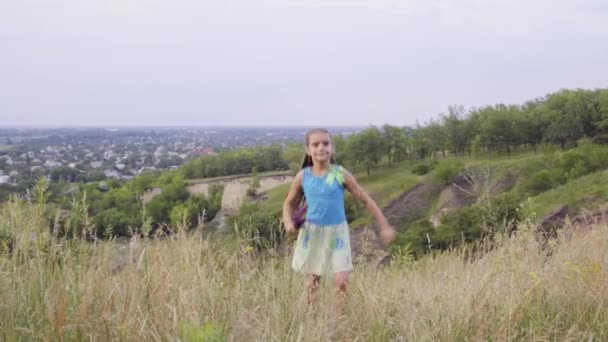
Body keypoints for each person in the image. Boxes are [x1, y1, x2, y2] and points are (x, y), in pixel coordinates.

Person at [282, 128, 396, 306]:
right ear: (308, 149)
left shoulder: (340, 174)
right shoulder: (303, 176)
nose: (321, 148)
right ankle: (308, 320)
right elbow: (288, 203)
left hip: (337, 234)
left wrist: (384, 226)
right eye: (316, 144)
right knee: (313, 283)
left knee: (342, 282)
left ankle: (337, 324)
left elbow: (366, 200)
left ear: (332, 147)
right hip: (313, 233)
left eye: (326, 143)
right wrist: (288, 222)